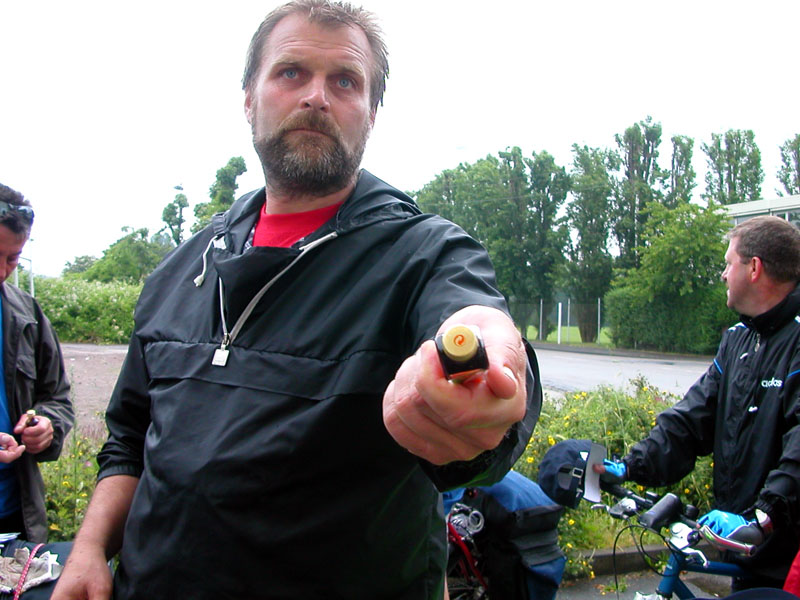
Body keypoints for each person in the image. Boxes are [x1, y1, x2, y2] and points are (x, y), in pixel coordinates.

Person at [52, 2, 539, 599]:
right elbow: (129, 437)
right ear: (248, 98)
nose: (316, 97)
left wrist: (489, 371)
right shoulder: (183, 268)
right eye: (291, 72)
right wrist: (89, 550)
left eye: (345, 81)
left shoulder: (424, 254)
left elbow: (475, 319)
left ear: (371, 114)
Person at [597, 215, 800, 590]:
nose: (723, 275)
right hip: (745, 548)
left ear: (754, 268)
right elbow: (692, 420)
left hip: (789, 559)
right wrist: (629, 465)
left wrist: (765, 516)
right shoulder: (738, 339)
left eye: (728, 263)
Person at [0, 183, 73, 542]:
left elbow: (57, 397)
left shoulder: (27, 313)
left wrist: (46, 424)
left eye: (12, 259)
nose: (2, 271)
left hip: (13, 516)